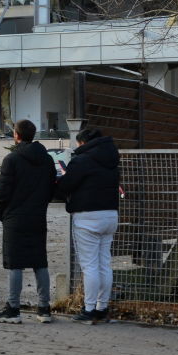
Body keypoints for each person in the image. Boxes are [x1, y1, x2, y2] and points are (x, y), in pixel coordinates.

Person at [0, 119, 57, 324]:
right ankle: (44, 308)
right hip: (37, 215)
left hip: (15, 217)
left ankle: (13, 308)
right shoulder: (47, 160)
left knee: (15, 263)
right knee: (39, 260)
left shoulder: (12, 159)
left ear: (17, 136)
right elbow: (51, 187)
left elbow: (2, 191)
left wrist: (3, 213)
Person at [56, 127, 120, 324]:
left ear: (83, 142)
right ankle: (102, 308)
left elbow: (66, 185)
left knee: (90, 265)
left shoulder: (82, 160)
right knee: (104, 263)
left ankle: (89, 309)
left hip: (87, 217)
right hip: (110, 214)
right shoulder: (112, 159)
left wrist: (61, 181)